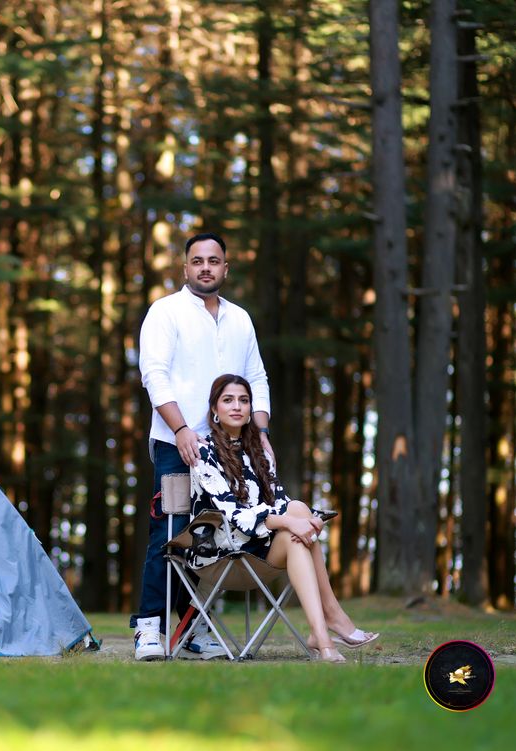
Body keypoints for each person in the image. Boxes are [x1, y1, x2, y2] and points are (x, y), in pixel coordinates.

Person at [133, 232, 273, 660]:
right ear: (185, 268)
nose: (206, 268)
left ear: (225, 269)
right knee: (171, 534)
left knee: (213, 538)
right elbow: (154, 374)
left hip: (230, 448)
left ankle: (191, 630)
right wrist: (180, 428)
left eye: (214, 261)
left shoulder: (241, 319)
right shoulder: (165, 312)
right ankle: (149, 630)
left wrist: (261, 435)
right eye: (198, 261)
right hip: (178, 444)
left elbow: (258, 379)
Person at [188, 374, 379, 662]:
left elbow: (280, 501)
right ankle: (329, 623)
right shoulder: (204, 452)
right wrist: (291, 521)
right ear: (214, 409)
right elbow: (236, 516)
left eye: (244, 400)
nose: (237, 406)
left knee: (299, 511)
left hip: (262, 548)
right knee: (295, 524)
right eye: (228, 400)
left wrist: (307, 518)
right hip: (224, 553)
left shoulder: (258, 451)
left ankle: (322, 633)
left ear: (252, 408)